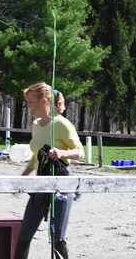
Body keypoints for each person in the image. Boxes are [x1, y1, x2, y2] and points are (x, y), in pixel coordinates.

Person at [14, 83, 84, 259]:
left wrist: (60, 152)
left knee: (57, 237)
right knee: (24, 234)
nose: (28, 106)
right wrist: (23, 177)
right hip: (40, 182)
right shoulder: (36, 125)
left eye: (31, 102)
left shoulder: (62, 124)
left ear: (44, 101)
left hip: (61, 184)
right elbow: (35, 156)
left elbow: (80, 153)